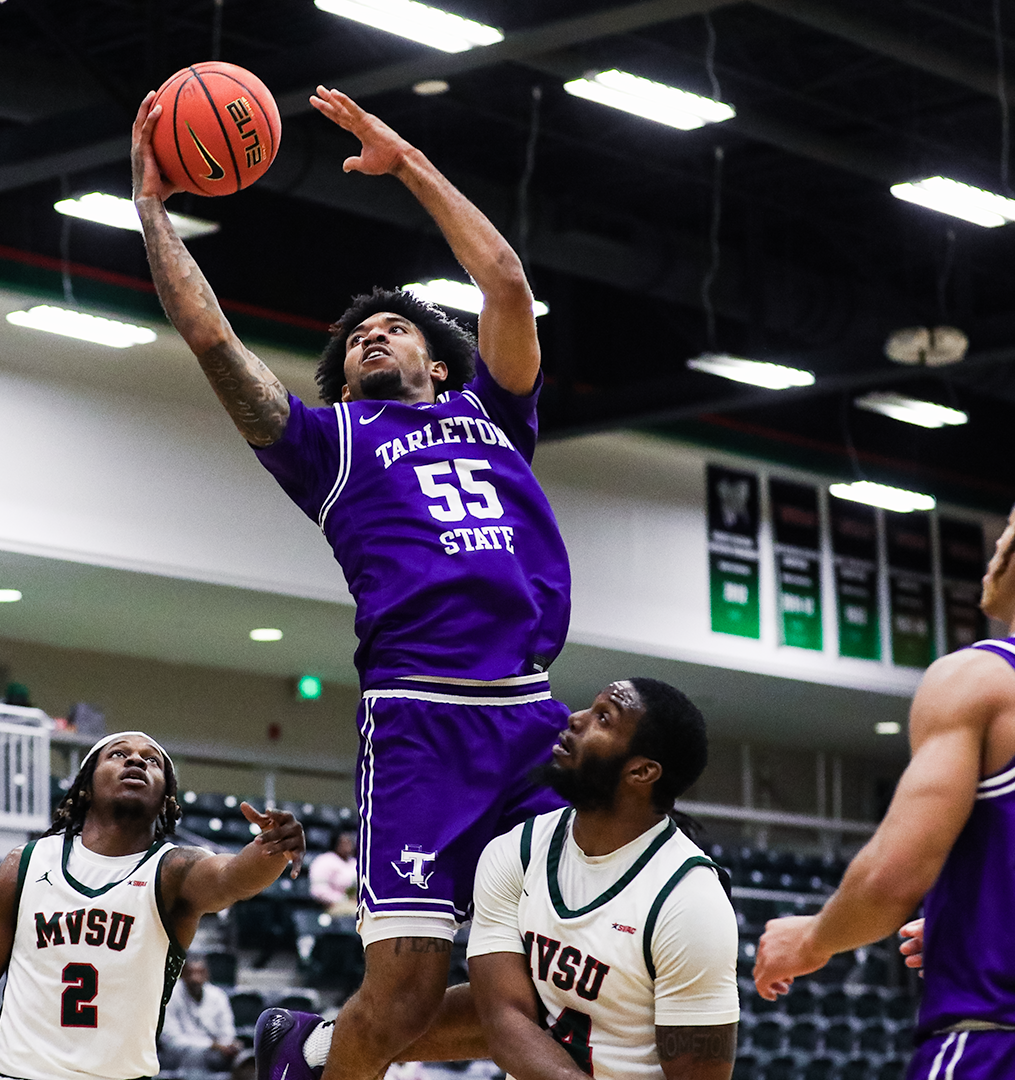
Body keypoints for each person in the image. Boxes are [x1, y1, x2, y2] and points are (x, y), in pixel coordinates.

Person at [135, 85, 571, 1080]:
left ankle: (316, 1049)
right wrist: (152, 208)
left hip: (531, 716)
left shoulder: (495, 415)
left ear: (438, 360)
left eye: (395, 326)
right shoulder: (329, 443)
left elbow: (504, 280)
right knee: (408, 993)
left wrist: (404, 159)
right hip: (421, 721)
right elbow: (212, 340)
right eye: (358, 336)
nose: (374, 333)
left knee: (555, 985)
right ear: (339, 382)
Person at [754, 421, 1015, 1078]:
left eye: (1010, 529)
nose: (997, 545)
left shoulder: (986, 679)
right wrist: (994, 936)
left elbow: (894, 877)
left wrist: (810, 940)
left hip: (994, 1050)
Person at [290, 679, 740, 1080]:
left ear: (642, 772)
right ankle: (314, 1048)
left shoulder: (690, 902)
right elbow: (504, 1022)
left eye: (604, 718)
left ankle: (312, 1048)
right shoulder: (516, 851)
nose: (575, 718)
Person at [0, 731, 305, 1080]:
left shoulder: (173, 870)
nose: (136, 760)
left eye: (152, 760)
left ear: (165, 798)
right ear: (86, 786)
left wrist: (272, 849)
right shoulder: (24, 865)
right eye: (118, 754)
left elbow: (232, 878)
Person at [161, 956, 240, 1076]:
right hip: (179, 1057)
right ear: (182, 975)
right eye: (190, 973)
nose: (195, 979)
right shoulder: (170, 996)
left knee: (245, 1058)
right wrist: (211, 1045)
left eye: (200, 973)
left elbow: (228, 1032)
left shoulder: (218, 996)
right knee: (194, 1059)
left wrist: (228, 1045)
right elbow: (171, 1041)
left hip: (215, 1055)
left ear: (207, 975)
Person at [307, 833, 359, 919]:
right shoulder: (324, 861)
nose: (348, 847)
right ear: (336, 844)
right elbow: (318, 890)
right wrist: (342, 900)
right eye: (344, 843)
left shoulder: (354, 863)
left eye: (349, 843)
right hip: (330, 906)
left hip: (353, 904)